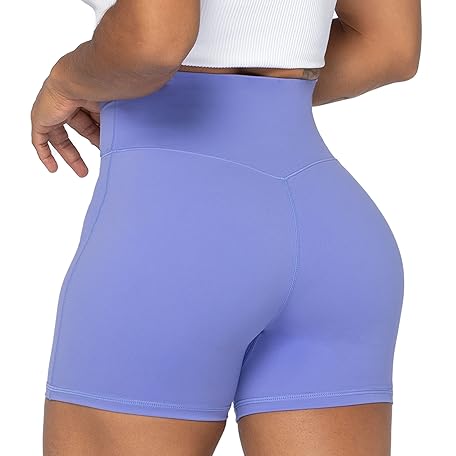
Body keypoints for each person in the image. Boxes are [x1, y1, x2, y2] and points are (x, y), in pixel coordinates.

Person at [31, 0, 421, 454]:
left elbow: (154, 40)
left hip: (174, 234)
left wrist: (66, 81)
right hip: (333, 227)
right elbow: (391, 45)